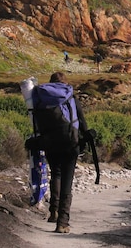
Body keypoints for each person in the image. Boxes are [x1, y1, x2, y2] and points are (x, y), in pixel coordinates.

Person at [37, 72, 92, 233]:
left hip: (50, 143)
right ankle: (62, 222)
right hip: (70, 144)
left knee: (56, 174)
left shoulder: (43, 97)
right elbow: (82, 122)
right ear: (65, 83)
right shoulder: (71, 97)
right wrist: (85, 136)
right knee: (67, 182)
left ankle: (53, 211)